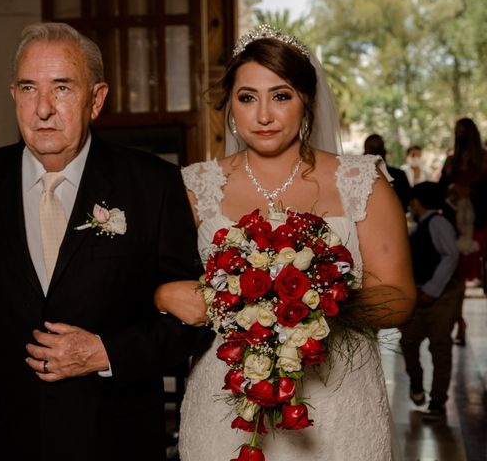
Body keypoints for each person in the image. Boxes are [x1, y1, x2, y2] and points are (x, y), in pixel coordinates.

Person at [0, 22, 212, 461]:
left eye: (61, 88)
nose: (42, 109)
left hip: (113, 439)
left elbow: (194, 321)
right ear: (13, 95)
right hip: (1, 442)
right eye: (28, 88)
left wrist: (105, 353)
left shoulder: (151, 184)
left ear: (96, 99)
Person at [155, 26, 416, 460]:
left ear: (307, 101)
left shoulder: (361, 181)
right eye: (247, 97)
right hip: (227, 401)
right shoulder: (194, 187)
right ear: (230, 106)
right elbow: (154, 282)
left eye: (281, 96)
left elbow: (400, 297)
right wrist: (162, 294)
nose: (263, 115)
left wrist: (316, 303)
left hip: (337, 403)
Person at [399, 182, 463, 421]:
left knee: (440, 348)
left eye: (413, 200)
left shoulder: (438, 223)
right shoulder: (422, 225)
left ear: (418, 200)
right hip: (419, 295)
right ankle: (416, 381)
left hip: (440, 297)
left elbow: (450, 256)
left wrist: (432, 289)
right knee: (408, 341)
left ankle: (437, 400)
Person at [438, 117, 487, 345]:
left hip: (479, 224)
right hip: (454, 225)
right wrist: (452, 190)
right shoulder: (450, 161)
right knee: (454, 278)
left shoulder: (484, 160)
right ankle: (459, 322)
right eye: (457, 132)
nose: (460, 137)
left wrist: (472, 193)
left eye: (464, 132)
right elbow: (440, 194)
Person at [363, 133, 412, 212]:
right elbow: (406, 203)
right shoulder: (399, 174)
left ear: (365, 153)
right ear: (384, 152)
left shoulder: (359, 178)